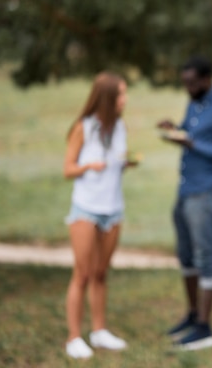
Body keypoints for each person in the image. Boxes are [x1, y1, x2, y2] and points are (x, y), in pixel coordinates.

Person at [159, 56, 212, 350]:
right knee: (185, 256)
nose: (188, 88)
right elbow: (190, 133)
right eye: (185, 83)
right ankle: (193, 316)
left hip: (208, 193)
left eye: (192, 83)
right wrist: (175, 129)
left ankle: (205, 328)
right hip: (185, 191)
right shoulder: (194, 102)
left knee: (206, 257)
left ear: (207, 79)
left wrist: (190, 143)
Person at [63, 72, 135, 359]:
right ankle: (74, 337)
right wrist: (88, 166)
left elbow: (116, 162)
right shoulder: (83, 128)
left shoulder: (120, 127)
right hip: (86, 209)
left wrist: (125, 163)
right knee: (82, 274)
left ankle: (99, 331)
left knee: (101, 273)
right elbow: (67, 169)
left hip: (113, 209)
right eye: (121, 94)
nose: (124, 99)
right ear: (107, 98)